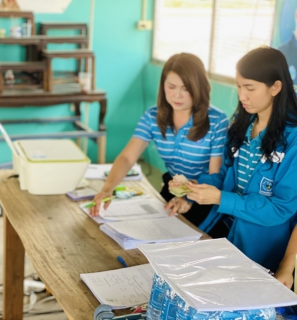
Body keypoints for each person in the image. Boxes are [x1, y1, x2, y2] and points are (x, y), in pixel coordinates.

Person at [178, 47, 297, 272]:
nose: (242, 96)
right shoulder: (242, 126)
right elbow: (224, 175)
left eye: (250, 88)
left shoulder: (293, 140)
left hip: (262, 248)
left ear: (276, 87)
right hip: (226, 230)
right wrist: (192, 190)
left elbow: (281, 209)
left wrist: (221, 198)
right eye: (239, 86)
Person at [90, 53, 229, 228]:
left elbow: (215, 175)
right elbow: (127, 157)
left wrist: (188, 196)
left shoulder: (217, 120)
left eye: (186, 89)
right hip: (173, 189)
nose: (177, 95)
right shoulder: (152, 116)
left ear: (199, 87)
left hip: (203, 196)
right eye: (171, 86)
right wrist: (106, 189)